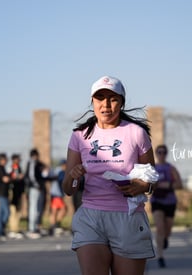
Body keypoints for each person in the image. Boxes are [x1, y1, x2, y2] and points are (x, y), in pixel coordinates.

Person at [62, 75, 156, 275]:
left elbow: (151, 180)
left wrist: (142, 186)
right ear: (92, 102)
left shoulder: (137, 133)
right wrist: (73, 175)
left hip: (128, 218)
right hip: (91, 217)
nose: (106, 104)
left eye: (112, 99)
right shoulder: (79, 135)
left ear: (121, 102)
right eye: (100, 98)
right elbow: (68, 190)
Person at [151, 144, 183, 268]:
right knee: (159, 227)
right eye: (159, 152)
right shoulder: (151, 168)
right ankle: (160, 257)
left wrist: (167, 185)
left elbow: (180, 184)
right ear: (156, 153)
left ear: (166, 153)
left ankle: (165, 238)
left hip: (170, 202)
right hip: (156, 201)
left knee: (167, 229)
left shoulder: (171, 168)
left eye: (163, 152)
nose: (161, 154)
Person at [24, 148, 51, 239]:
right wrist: (37, 186)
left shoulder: (38, 164)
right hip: (34, 189)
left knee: (39, 209)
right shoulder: (31, 163)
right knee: (33, 209)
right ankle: (32, 228)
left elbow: (43, 173)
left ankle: (36, 227)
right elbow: (31, 176)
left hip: (40, 188)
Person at [0, 153, 11, 239]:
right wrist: (12, 175)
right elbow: (5, 179)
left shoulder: (3, 168)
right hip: (1, 194)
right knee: (7, 212)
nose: (6, 161)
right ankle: (0, 229)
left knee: (1, 213)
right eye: (5, 159)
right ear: (1, 160)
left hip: (4, 193)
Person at [48, 159, 67, 236]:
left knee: (56, 211)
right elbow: (60, 182)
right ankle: (55, 226)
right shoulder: (60, 171)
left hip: (56, 194)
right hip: (56, 194)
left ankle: (54, 226)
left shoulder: (57, 171)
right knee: (62, 210)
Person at [8, 153, 25, 239]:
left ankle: (16, 229)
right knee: (13, 211)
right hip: (14, 191)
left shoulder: (18, 168)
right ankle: (13, 230)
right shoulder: (12, 168)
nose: (19, 161)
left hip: (19, 191)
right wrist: (19, 177)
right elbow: (12, 177)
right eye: (18, 159)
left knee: (18, 211)